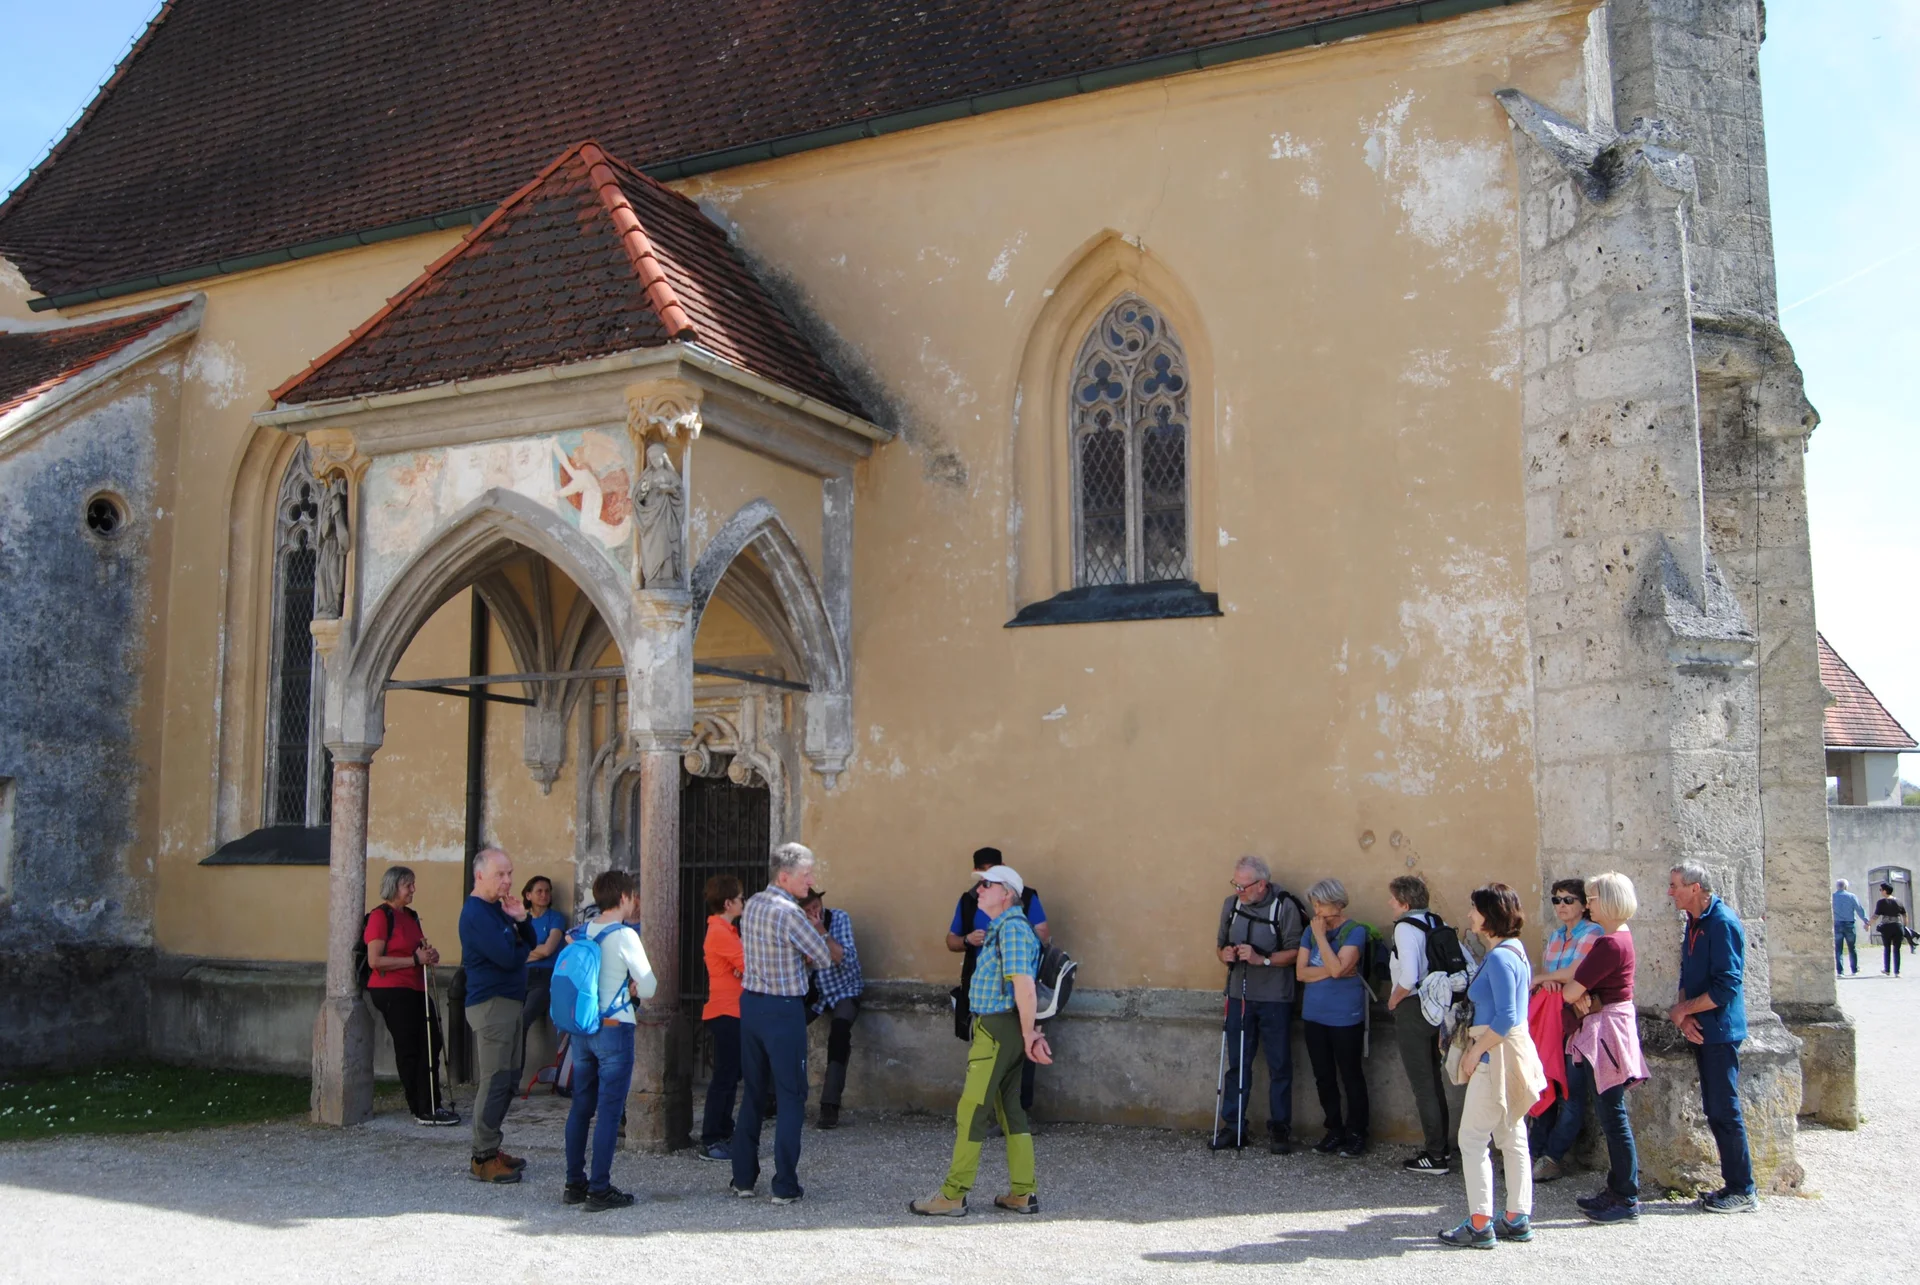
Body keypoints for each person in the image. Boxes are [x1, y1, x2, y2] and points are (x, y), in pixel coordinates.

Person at [910, 864, 1053, 1217]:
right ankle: (1023, 1191)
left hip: (998, 1030)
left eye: (987, 885)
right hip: (1003, 1028)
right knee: (1010, 1111)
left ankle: (953, 1194)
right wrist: (1027, 1034)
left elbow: (1024, 987)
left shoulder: (1013, 929)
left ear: (1007, 893)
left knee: (971, 1110)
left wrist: (1027, 1033)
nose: (979, 891)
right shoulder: (1005, 927)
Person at [730, 843, 841, 1204]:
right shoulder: (791, 914)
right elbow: (824, 958)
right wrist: (818, 930)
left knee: (753, 1093)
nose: (811, 881)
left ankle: (743, 1178)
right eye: (806, 874)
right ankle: (784, 1185)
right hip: (783, 1009)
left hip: (751, 1005)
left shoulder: (754, 906)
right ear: (784, 876)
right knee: (792, 1096)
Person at [1439, 883, 1546, 1249]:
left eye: (1474, 909)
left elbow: (1506, 1017)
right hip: (1511, 1053)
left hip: (1494, 1055)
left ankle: (1480, 1222)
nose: (1470, 915)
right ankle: (1517, 1217)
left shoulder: (1500, 957)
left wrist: (1473, 1053)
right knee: (1512, 1137)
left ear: (1489, 916)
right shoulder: (1514, 951)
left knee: (1472, 1139)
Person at [561, 869, 657, 1212]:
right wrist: (632, 987)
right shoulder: (625, 936)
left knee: (580, 1108)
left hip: (581, 1028)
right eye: (633, 897)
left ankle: (574, 1182)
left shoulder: (580, 932)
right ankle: (599, 1188)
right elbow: (648, 986)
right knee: (609, 1112)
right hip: (614, 1027)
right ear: (624, 897)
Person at [1668, 860, 1756, 1214]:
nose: (1670, 892)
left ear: (1695, 888)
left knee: (1725, 1110)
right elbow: (1687, 973)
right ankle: (1733, 1186)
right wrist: (1683, 1015)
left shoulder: (1722, 924)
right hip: (1702, 1029)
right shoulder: (1693, 923)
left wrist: (1685, 1009)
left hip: (1720, 1032)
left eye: (1675, 885)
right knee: (1715, 1109)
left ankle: (1743, 1189)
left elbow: (1727, 987)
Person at [1561, 872, 1647, 1225]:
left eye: (1593, 898)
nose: (1589, 903)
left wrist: (1580, 997)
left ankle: (1626, 1196)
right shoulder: (1619, 939)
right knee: (1611, 1114)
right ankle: (1618, 1189)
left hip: (1607, 1031)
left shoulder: (1610, 944)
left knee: (1613, 1116)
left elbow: (1570, 991)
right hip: (1612, 1026)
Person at [1211, 855, 1303, 1153]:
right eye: (1235, 884)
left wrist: (1261, 958)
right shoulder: (1231, 905)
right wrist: (1224, 954)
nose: (1239, 890)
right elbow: (1220, 944)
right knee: (1238, 1065)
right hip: (1239, 995)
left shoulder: (1285, 906)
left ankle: (1280, 1129)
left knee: (1279, 1065)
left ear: (1262, 884)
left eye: (1244, 885)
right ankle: (1234, 1127)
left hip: (1275, 998)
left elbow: (1296, 952)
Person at [947, 846, 1051, 1112]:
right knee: (988, 1059)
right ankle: (1003, 1113)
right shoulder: (969, 900)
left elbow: (1042, 935)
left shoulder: (1021, 908)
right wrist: (968, 940)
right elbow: (951, 940)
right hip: (983, 994)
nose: (982, 886)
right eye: (981, 876)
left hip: (1010, 998)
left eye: (988, 878)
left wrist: (1009, 943)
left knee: (1011, 1062)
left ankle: (1010, 1111)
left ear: (1006, 891)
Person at [459, 846, 537, 1183]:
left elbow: (527, 943)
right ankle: (483, 1155)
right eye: (500, 875)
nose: (507, 881)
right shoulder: (476, 913)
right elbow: (509, 957)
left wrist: (522, 920)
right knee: (493, 1081)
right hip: (491, 1004)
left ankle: (491, 1144)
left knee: (509, 1080)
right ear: (480, 876)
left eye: (509, 874)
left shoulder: (500, 909)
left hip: (510, 1001)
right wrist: (519, 944)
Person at [363, 865, 459, 1126]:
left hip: (415, 987)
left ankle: (432, 1103)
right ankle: (420, 1107)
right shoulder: (381, 917)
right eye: (409, 885)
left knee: (432, 1042)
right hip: (391, 988)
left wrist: (427, 956)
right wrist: (413, 959)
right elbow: (375, 960)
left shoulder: (411, 916)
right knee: (410, 1047)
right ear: (395, 886)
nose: (413, 889)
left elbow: (416, 952)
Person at [1530, 877, 1603, 1182]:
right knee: (1545, 1084)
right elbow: (1556, 975)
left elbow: (1578, 973)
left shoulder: (1593, 933)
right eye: (1556, 900)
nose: (1561, 905)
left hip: (1579, 1023)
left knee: (1572, 1093)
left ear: (1584, 905)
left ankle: (1552, 1156)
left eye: (1568, 900)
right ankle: (1533, 1153)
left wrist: (1541, 979)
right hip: (1552, 1022)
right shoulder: (1556, 937)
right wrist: (1548, 979)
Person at [1295, 877, 1369, 1158]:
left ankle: (1357, 1133)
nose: (1316, 909)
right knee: (1323, 1076)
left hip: (1345, 1017)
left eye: (1321, 903)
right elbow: (1301, 973)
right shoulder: (1309, 931)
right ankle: (1333, 1129)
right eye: (1314, 903)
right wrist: (1333, 968)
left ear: (1336, 902)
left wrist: (1323, 940)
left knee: (1351, 1076)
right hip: (1314, 1015)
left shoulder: (1355, 931)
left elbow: (1339, 970)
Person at [1386, 873, 1450, 1174]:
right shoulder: (1436, 922)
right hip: (1439, 1006)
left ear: (1405, 902)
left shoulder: (1404, 929)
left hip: (1414, 1008)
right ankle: (1441, 1149)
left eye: (1394, 900)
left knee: (1423, 1084)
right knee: (1434, 1081)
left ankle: (1435, 1155)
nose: (1390, 904)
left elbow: (1409, 976)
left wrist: (1394, 1000)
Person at [801, 887, 865, 1129]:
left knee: (839, 1034)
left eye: (816, 906)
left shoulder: (839, 918)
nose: (814, 912)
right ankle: (772, 1098)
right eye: (807, 910)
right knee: (786, 1030)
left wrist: (821, 932)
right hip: (817, 994)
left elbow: (846, 960)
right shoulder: (796, 925)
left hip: (845, 989)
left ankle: (829, 1106)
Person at [699, 874, 746, 1161]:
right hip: (726, 1010)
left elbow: (744, 966)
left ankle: (723, 1130)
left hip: (733, 1010)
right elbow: (748, 964)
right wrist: (744, 968)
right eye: (740, 898)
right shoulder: (719, 932)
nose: (744, 902)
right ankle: (712, 1137)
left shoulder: (727, 932)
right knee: (725, 1076)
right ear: (728, 903)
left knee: (730, 1075)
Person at [520, 875, 569, 1049]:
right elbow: (512, 950)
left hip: (545, 977)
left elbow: (548, 949)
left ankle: (516, 1073)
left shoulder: (555, 918)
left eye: (547, 891)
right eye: (539, 891)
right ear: (528, 896)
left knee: (523, 1020)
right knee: (509, 1022)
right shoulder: (522, 921)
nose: (544, 895)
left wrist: (523, 953)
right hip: (521, 976)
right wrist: (533, 952)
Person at [1833, 879, 1869, 977]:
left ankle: (1840, 972)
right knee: (1852, 947)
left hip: (1837, 924)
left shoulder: (1832, 897)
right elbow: (1859, 909)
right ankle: (1854, 969)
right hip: (1849, 924)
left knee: (1838, 948)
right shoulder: (1852, 896)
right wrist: (1866, 921)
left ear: (1837, 887)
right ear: (1846, 886)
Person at [1873, 883, 1908, 977]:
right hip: (1898, 926)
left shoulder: (1881, 902)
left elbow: (1876, 916)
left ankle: (1887, 970)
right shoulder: (1899, 901)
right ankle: (1897, 972)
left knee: (1887, 948)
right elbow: (1904, 914)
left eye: (1880, 890)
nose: (1880, 891)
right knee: (1897, 949)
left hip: (1887, 927)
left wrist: (1868, 924)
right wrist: (1905, 926)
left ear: (1885, 891)